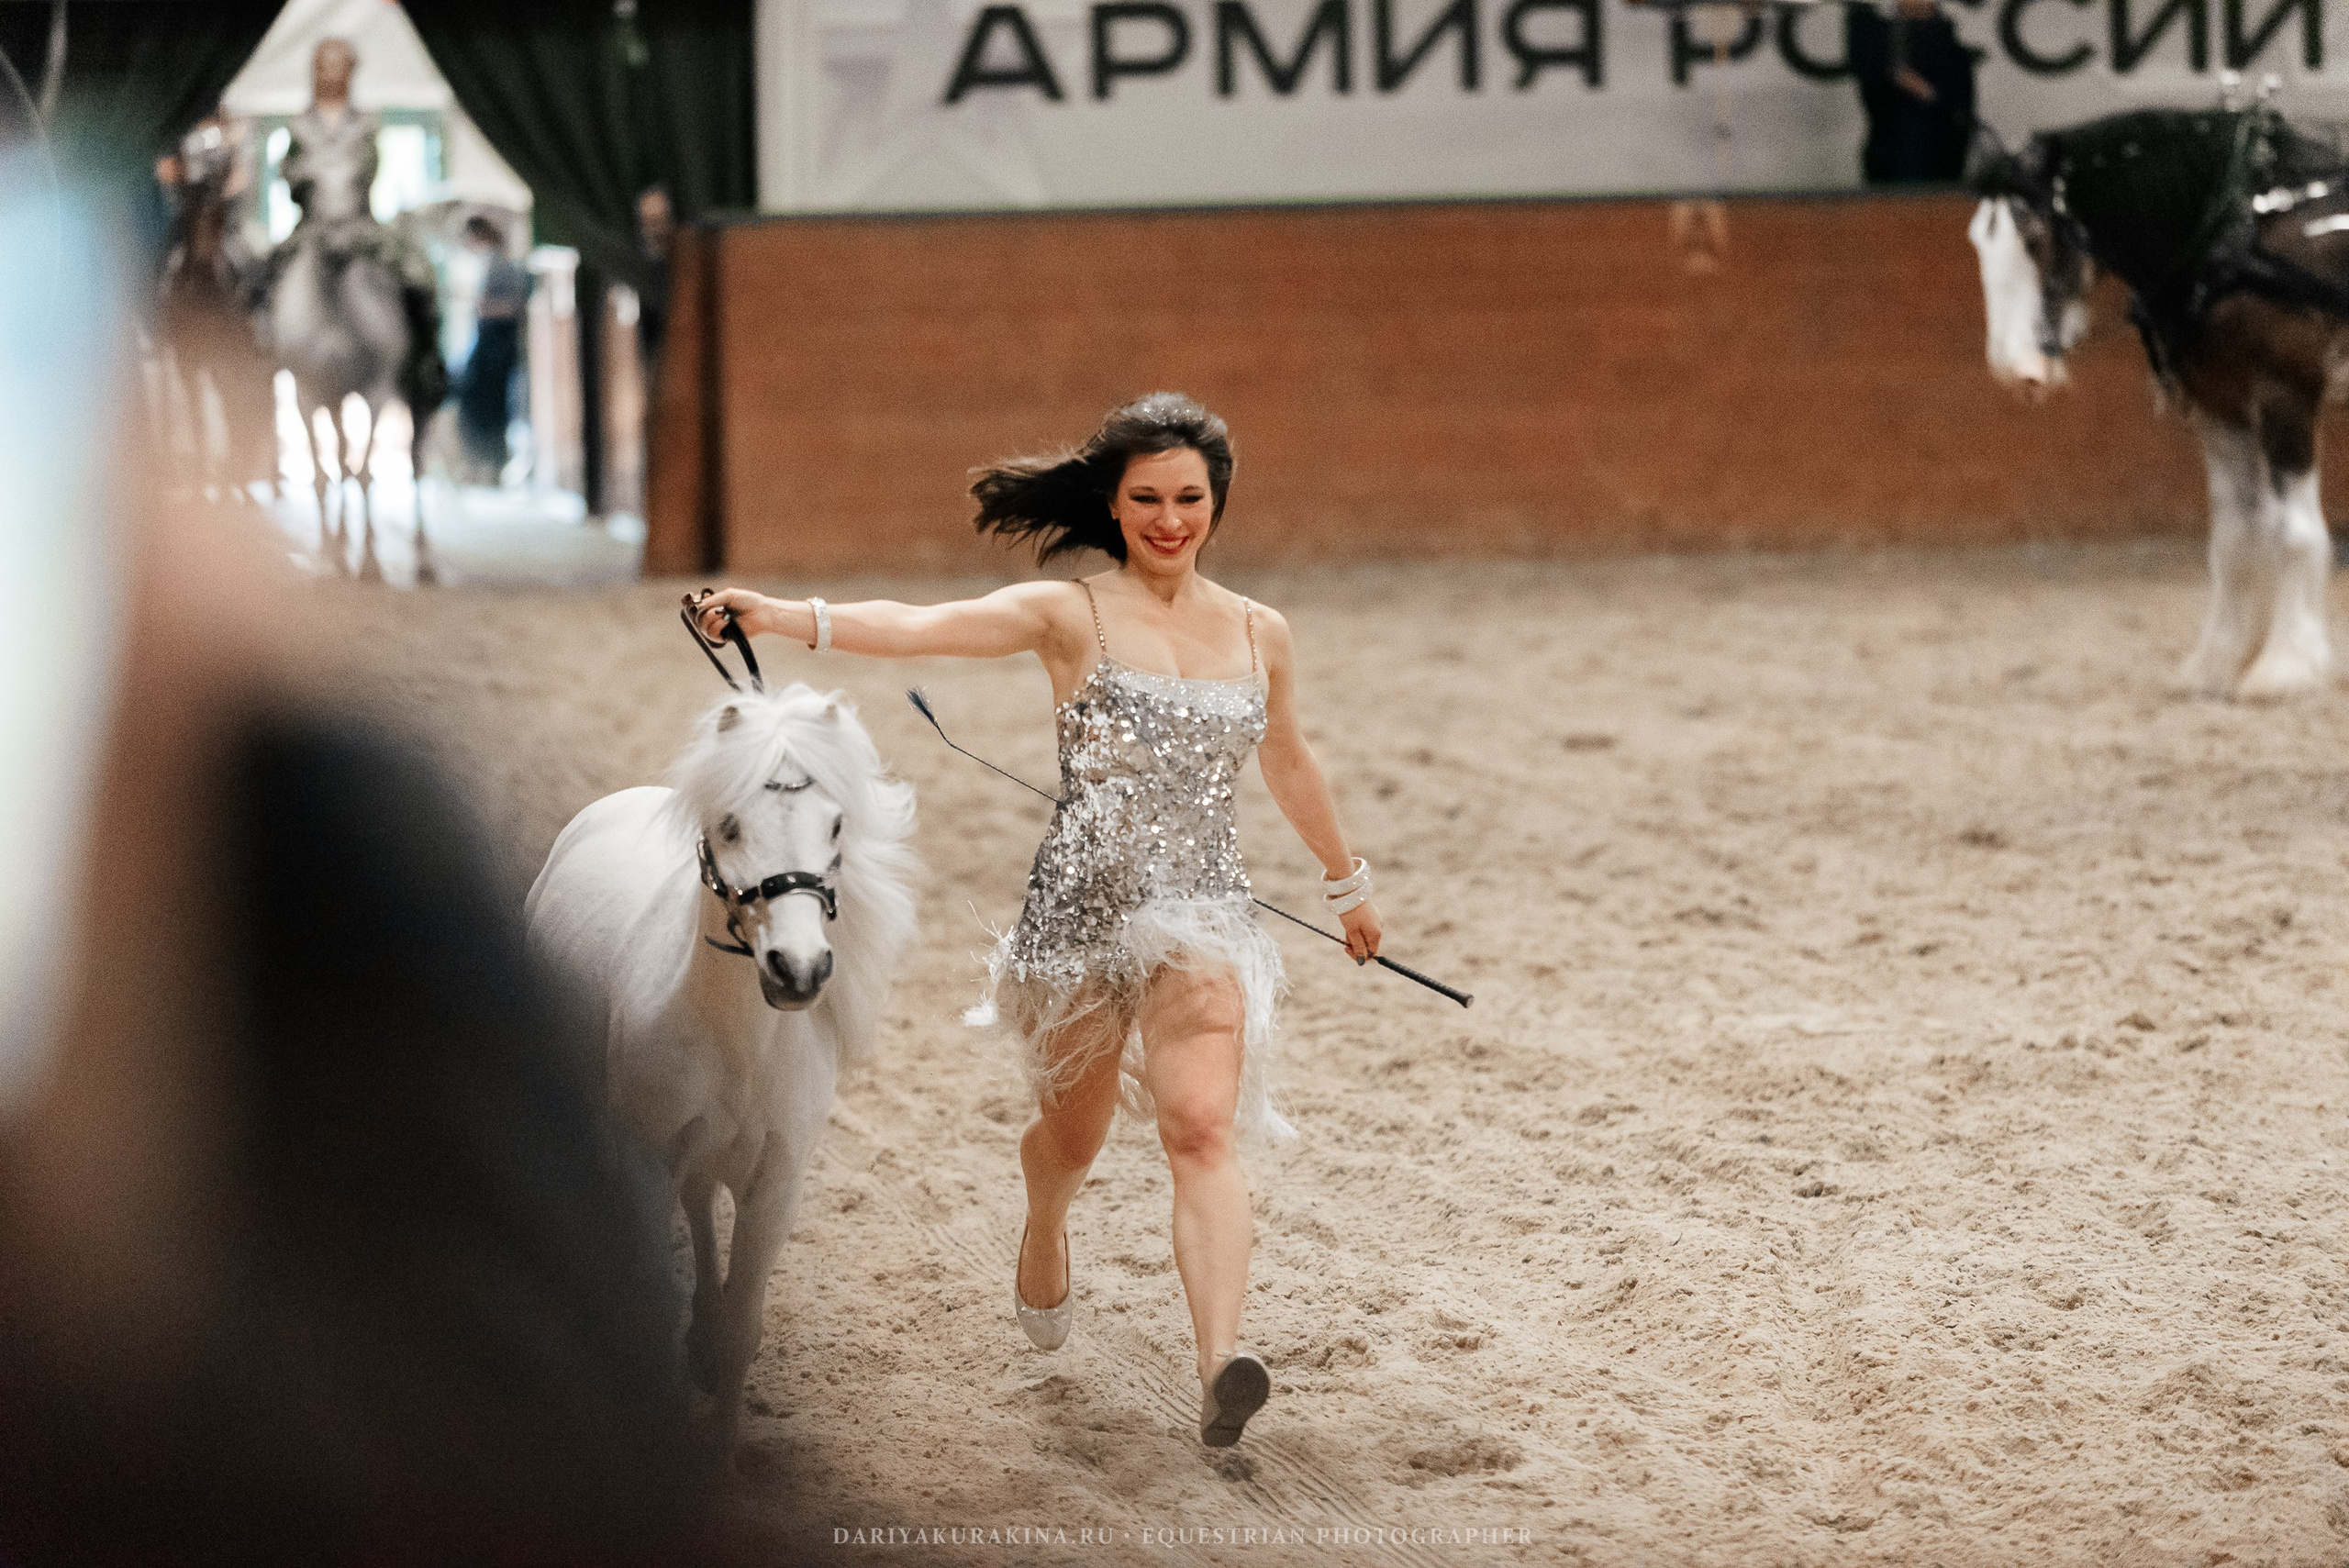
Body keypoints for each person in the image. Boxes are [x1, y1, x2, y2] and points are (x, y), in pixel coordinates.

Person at [692, 392, 1381, 1448]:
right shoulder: (1072, 614)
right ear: (1112, 504)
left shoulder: (1257, 630)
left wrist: (1346, 885)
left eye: (1188, 497)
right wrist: (784, 616)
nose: (1168, 517)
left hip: (1203, 917)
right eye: (1146, 497)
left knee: (1200, 1127)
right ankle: (1046, 1217)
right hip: (1077, 919)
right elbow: (922, 625)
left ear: (1216, 502)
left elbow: (1287, 756)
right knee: (1075, 1132)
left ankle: (1219, 1361)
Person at [1847, 0, 1977, 183]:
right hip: (1891, 156)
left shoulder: (1950, 50)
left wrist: (1927, 93)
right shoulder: (1881, 38)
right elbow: (1869, 74)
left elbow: (1960, 109)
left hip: (1936, 157)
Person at [455, 214, 529, 480]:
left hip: (497, 344)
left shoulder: (500, 264)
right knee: (483, 403)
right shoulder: (488, 263)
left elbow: (514, 306)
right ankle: (482, 461)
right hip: (491, 343)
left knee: (488, 405)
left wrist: (485, 307)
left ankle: (490, 463)